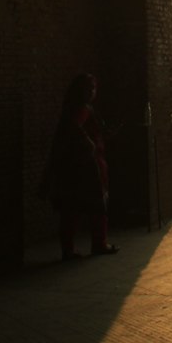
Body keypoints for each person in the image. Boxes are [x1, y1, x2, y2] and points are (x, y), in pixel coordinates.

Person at [39, 72, 118, 259]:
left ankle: (68, 249)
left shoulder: (74, 108)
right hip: (88, 167)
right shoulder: (82, 109)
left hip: (76, 166)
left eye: (93, 88)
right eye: (89, 88)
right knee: (96, 207)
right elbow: (75, 127)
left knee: (71, 209)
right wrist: (89, 143)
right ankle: (98, 243)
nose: (92, 92)